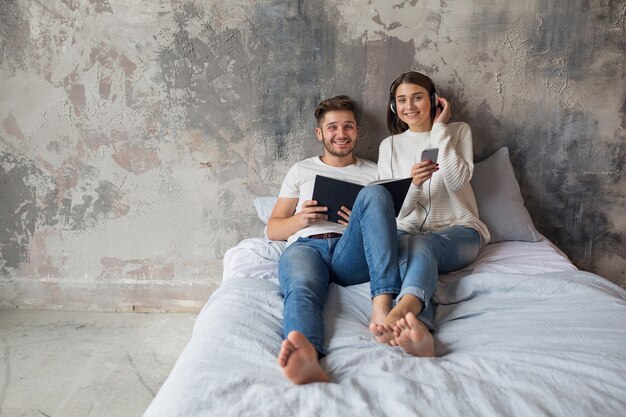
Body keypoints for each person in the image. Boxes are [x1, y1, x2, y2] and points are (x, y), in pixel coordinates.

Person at [267, 95, 402, 384]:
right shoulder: (301, 170)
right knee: (302, 287)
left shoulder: (375, 170)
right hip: (307, 247)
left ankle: (381, 306)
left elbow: (397, 223)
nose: (341, 134)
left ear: (358, 131)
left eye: (348, 127)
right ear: (320, 133)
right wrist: (301, 219)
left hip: (350, 251)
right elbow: (273, 230)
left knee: (376, 193)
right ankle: (306, 355)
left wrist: (360, 220)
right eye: (333, 127)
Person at [370, 71, 491, 357]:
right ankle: (418, 329)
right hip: (407, 230)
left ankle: (400, 311)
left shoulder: (458, 131)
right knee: (406, 248)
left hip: (460, 231)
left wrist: (439, 131)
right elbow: (395, 209)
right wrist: (413, 185)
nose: (409, 106)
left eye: (417, 97)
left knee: (423, 245)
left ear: (433, 100)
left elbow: (457, 180)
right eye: (401, 100)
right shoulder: (389, 146)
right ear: (393, 107)